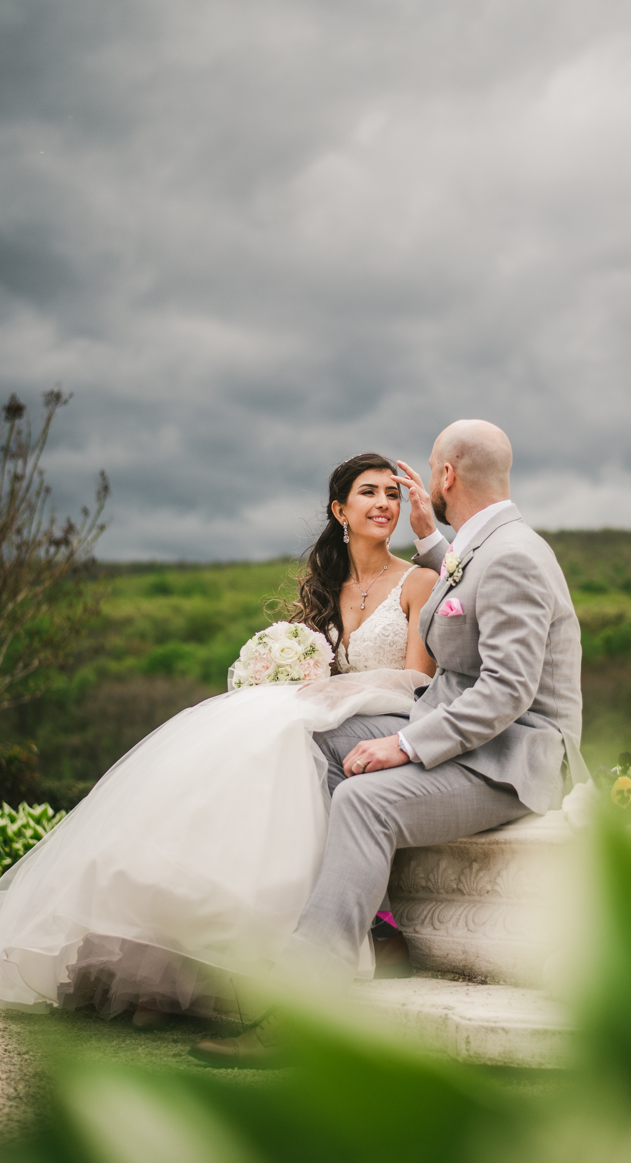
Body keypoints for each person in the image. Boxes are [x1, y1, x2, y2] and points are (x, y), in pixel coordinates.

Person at [0, 453, 437, 1023]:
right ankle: (165, 947)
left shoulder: (418, 579)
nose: (383, 504)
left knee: (271, 734)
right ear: (339, 509)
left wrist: (335, 696)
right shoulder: (328, 586)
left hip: (380, 720)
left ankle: (326, 939)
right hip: (319, 714)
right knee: (237, 739)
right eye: (369, 492)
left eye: (392, 495)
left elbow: (418, 682)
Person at [191, 419, 589, 1065]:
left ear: (446, 474)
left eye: (428, 471)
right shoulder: (486, 545)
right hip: (469, 733)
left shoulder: (514, 554)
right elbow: (461, 588)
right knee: (310, 736)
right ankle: (344, 927)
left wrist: (404, 745)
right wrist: (430, 537)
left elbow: (508, 693)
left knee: (362, 800)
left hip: (514, 756)